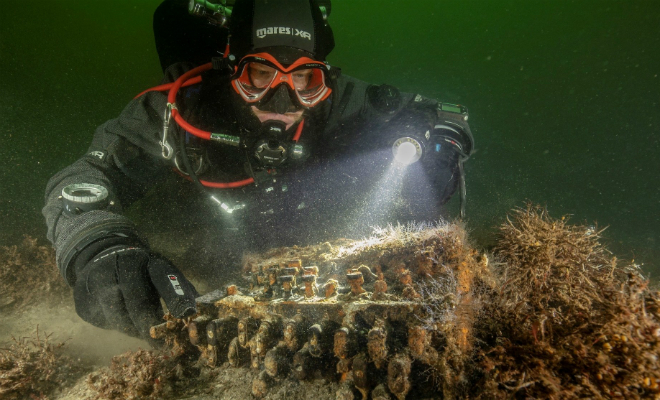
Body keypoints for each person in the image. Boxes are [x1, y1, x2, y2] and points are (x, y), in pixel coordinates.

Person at [42, 0, 474, 343]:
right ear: (231, 68)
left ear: (324, 81)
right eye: (260, 74)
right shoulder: (178, 111)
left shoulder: (343, 101)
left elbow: (445, 113)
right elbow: (82, 178)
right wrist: (99, 247)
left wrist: (441, 148)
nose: (281, 101)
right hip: (196, 236)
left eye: (304, 81)